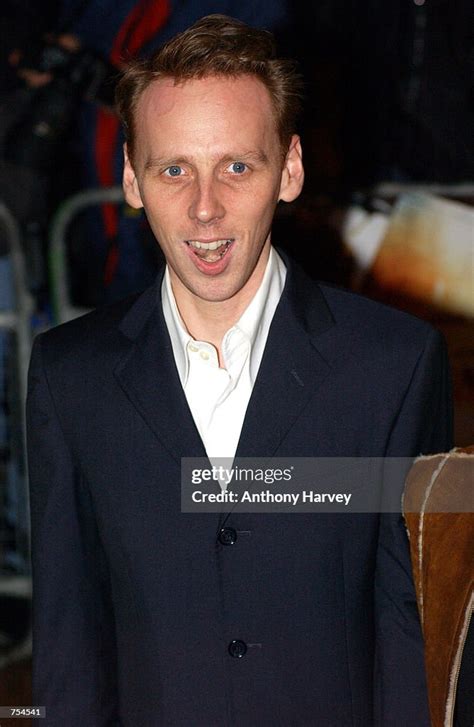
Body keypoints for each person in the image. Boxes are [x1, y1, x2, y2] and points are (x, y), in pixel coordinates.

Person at [27, 14, 452, 726]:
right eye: (173, 169)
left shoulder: (394, 366)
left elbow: (414, 636)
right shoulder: (72, 377)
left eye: (235, 166)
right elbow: (69, 645)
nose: (203, 208)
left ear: (288, 169)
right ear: (131, 178)